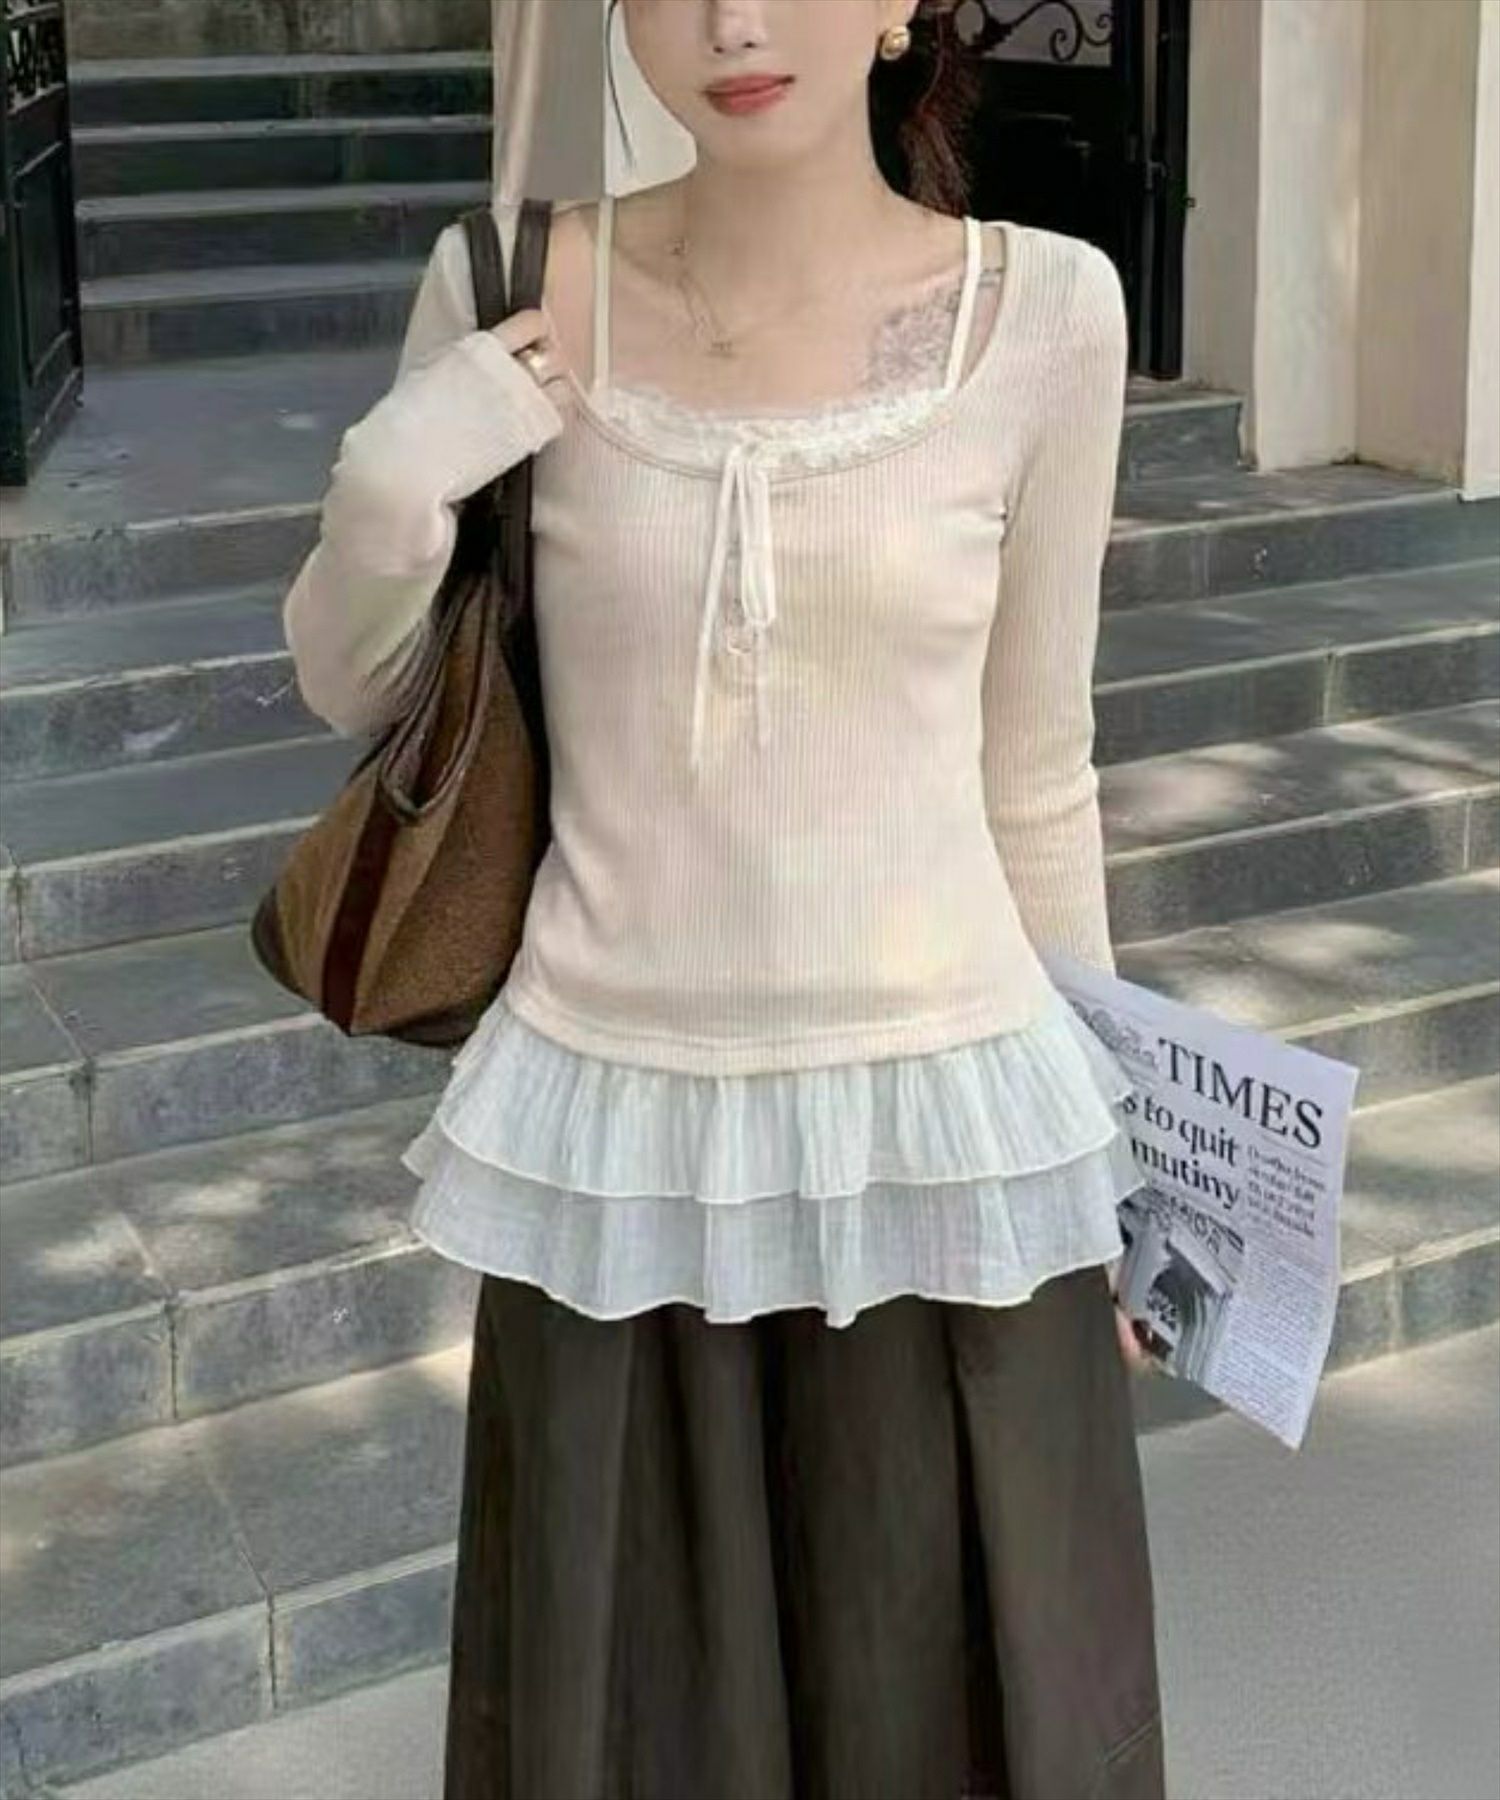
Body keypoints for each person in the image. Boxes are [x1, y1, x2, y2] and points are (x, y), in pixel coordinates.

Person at [280, 2, 1166, 1795]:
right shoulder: (511, 286)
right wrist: (389, 486)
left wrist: (1128, 1171)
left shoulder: (1048, 311)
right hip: (619, 1155)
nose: (735, 24)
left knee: (968, 1732)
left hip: (949, 1145)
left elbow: (1036, 773)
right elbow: (355, 686)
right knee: (628, 1742)